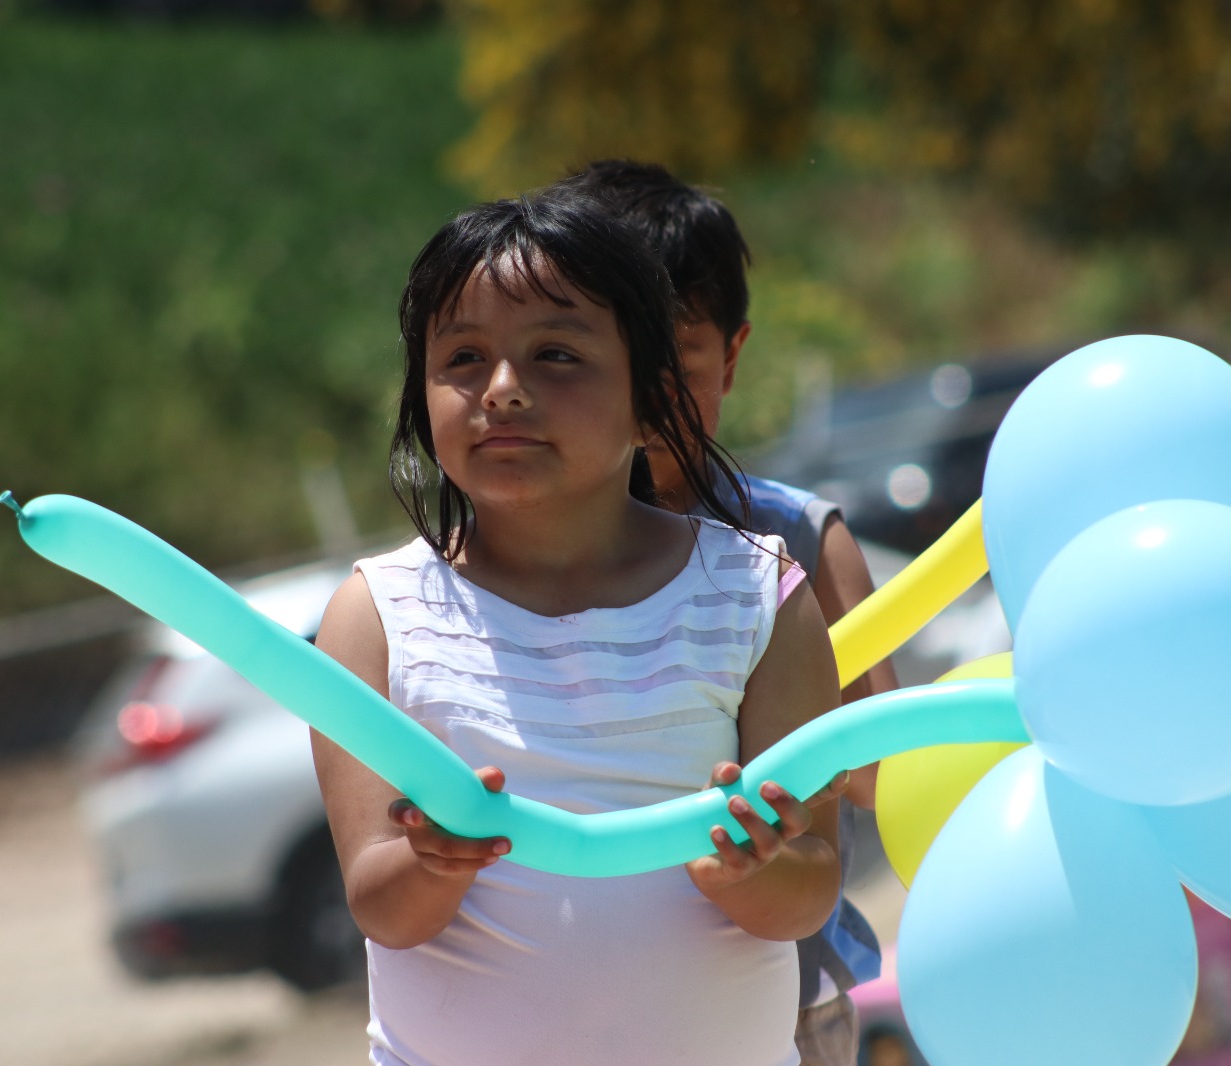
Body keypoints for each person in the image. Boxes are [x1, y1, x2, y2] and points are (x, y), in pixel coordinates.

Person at [309, 186, 851, 1066]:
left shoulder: (759, 594)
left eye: (556, 353)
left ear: (649, 401)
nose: (505, 390)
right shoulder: (375, 616)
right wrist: (432, 863)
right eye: (464, 357)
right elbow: (381, 906)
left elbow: (812, 889)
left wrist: (758, 870)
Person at [563, 158, 900, 1066]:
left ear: (734, 355)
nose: (642, 394)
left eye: (677, 360)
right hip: (569, 1005)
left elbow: (878, 778)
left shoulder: (794, 539)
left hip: (781, 1008)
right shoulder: (518, 557)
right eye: (599, 356)